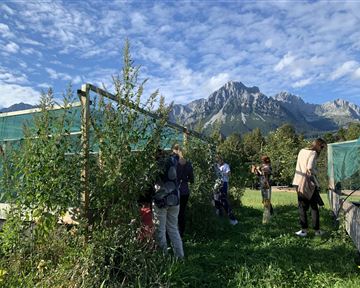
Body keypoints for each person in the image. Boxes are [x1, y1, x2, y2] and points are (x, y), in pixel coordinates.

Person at [152, 149, 184, 258]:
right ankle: (179, 256)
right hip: (175, 198)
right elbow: (179, 157)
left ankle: (163, 257)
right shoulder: (172, 160)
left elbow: (149, 180)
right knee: (173, 228)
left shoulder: (156, 165)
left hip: (162, 199)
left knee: (160, 229)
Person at [292, 138, 327, 237]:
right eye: (322, 146)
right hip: (308, 183)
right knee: (314, 207)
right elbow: (310, 168)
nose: (322, 149)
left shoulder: (302, 151)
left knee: (302, 207)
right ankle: (317, 231)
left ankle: (304, 230)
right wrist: (316, 172)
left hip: (298, 181)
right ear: (318, 145)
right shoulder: (313, 153)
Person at [172, 144, 194, 238]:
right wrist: (185, 179)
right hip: (185, 191)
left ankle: (174, 233)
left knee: (173, 213)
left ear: (176, 150)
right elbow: (192, 179)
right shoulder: (188, 164)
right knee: (182, 213)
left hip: (175, 191)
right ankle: (181, 233)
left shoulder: (174, 163)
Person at [214, 155, 238, 225]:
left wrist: (221, 173)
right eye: (217, 161)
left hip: (223, 184)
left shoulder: (226, 166)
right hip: (216, 185)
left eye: (219, 160)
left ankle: (233, 219)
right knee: (216, 200)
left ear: (221, 160)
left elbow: (229, 174)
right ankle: (220, 218)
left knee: (224, 201)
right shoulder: (216, 166)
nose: (218, 162)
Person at [252, 155, 273, 224]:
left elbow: (264, 174)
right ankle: (270, 212)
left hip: (266, 184)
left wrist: (258, 169)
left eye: (262, 160)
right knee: (264, 199)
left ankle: (268, 213)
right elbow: (257, 174)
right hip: (262, 184)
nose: (262, 161)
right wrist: (255, 169)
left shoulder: (267, 166)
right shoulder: (263, 166)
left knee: (266, 199)